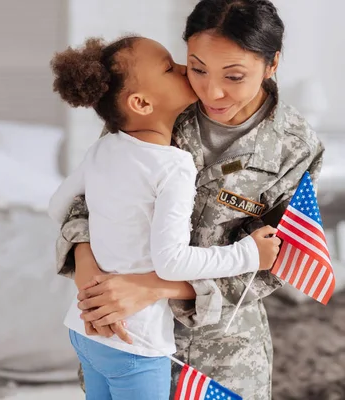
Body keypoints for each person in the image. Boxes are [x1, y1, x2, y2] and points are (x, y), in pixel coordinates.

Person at [55, 0, 324, 398]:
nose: (211, 91)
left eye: (234, 76)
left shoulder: (295, 148)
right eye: (197, 67)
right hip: (123, 335)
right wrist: (88, 270)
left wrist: (154, 287)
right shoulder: (155, 101)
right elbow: (92, 194)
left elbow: (276, 262)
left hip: (225, 357)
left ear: (272, 64)